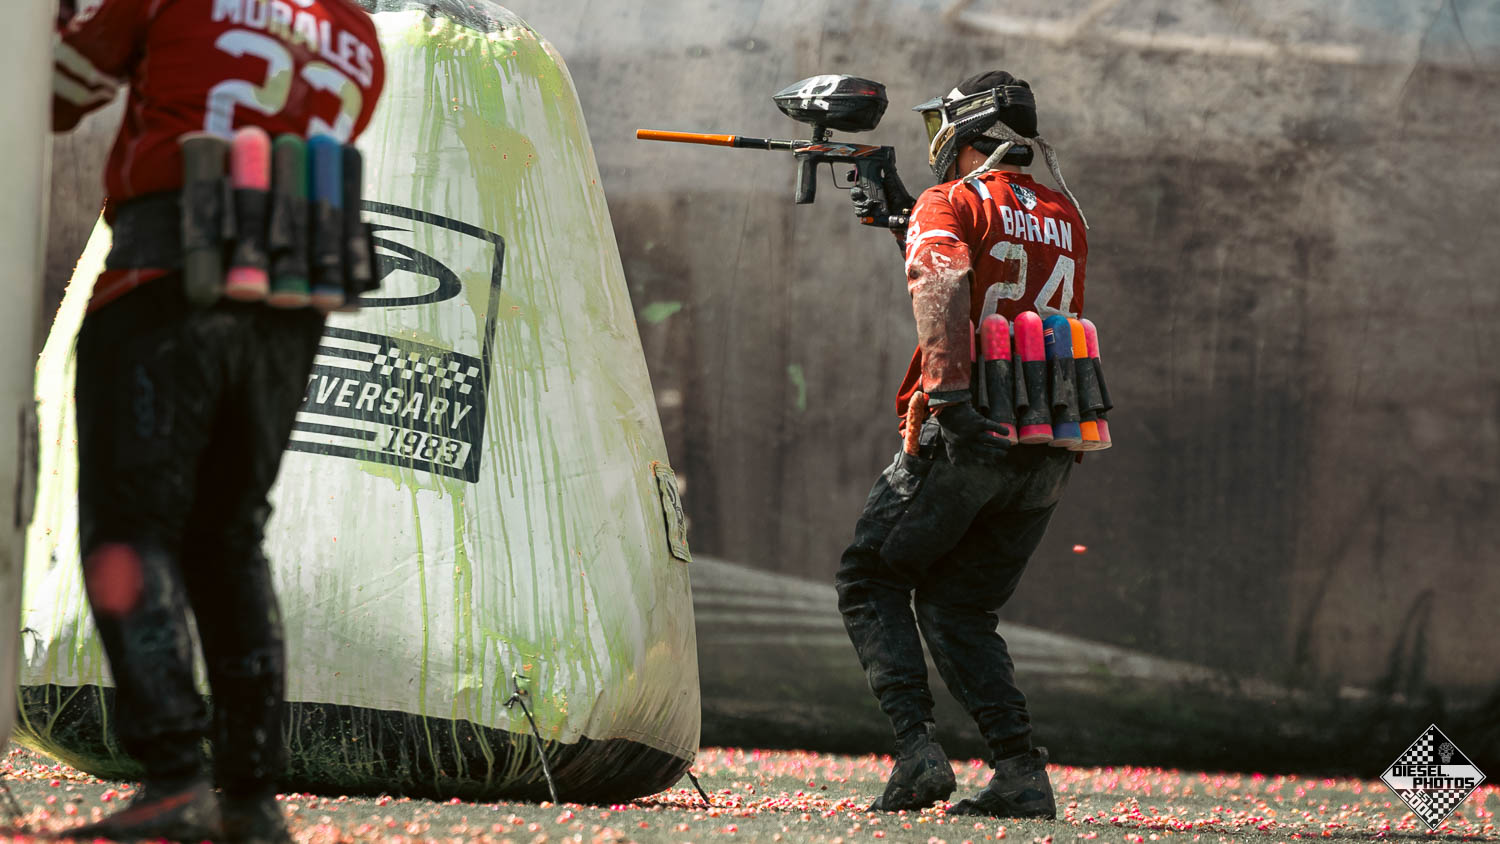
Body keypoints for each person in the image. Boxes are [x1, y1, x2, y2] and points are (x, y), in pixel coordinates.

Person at [52, 1, 384, 841]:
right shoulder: (358, 35)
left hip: (164, 282)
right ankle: (249, 800)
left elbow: (50, 95)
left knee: (129, 533)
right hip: (289, 298)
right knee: (231, 538)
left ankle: (173, 776)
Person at [837, 70, 1091, 818]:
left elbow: (944, 278)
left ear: (965, 132)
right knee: (958, 607)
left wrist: (946, 399)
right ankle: (1020, 772)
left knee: (870, 578)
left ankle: (917, 752)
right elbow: (1000, 277)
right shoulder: (1064, 213)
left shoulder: (948, 200)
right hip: (1047, 441)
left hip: (968, 433)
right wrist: (905, 223)